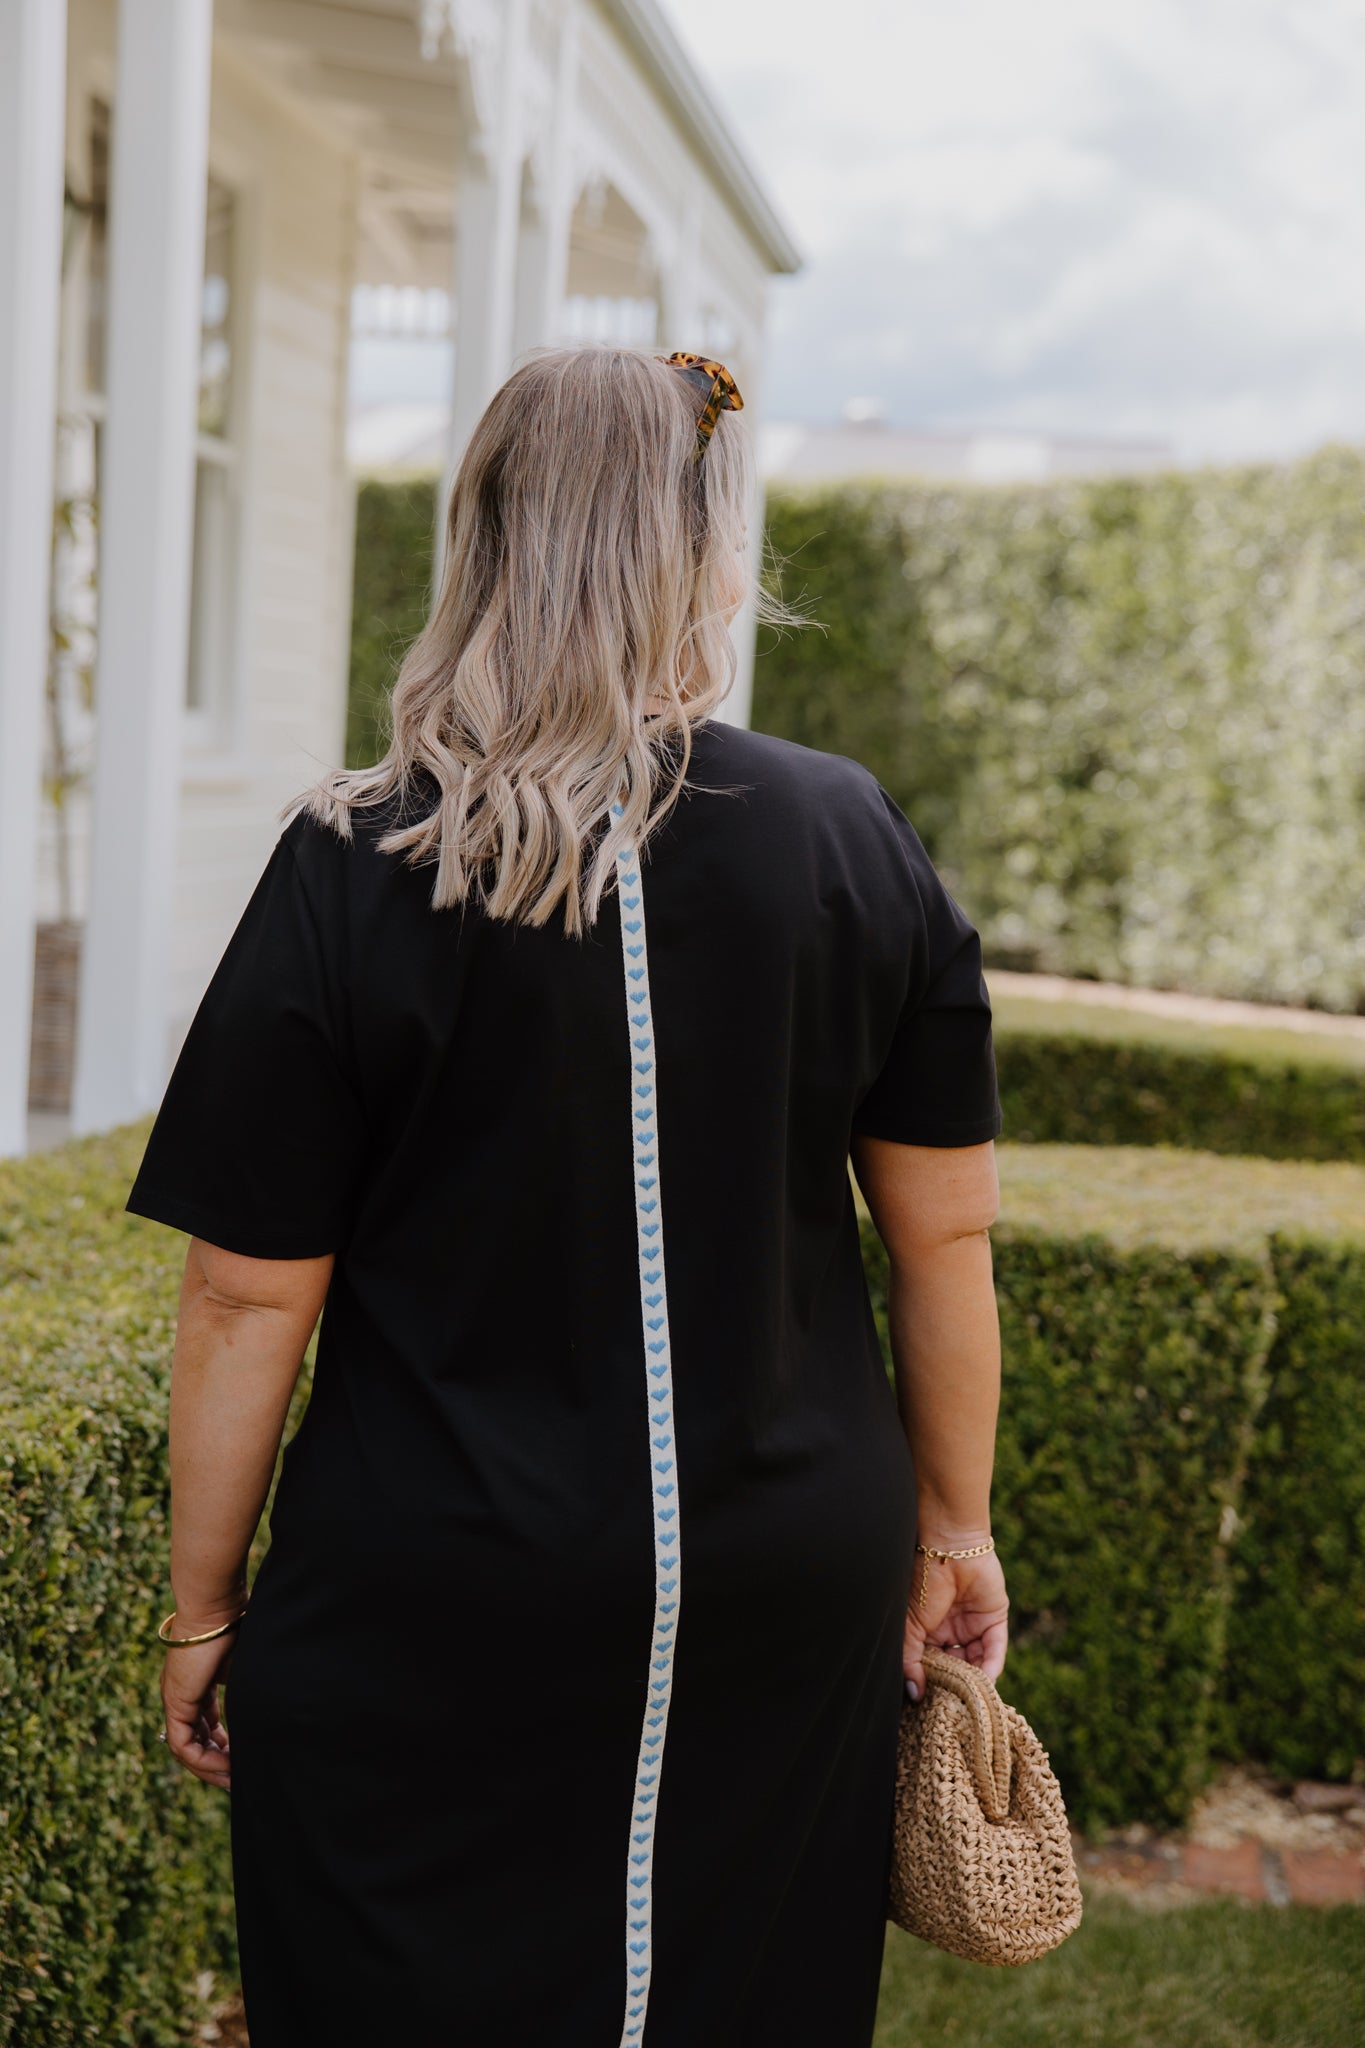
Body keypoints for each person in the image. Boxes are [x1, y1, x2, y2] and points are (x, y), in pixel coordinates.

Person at [126, 344, 1009, 2048]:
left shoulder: (353, 857)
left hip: (431, 1572)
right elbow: (945, 1235)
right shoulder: (850, 834)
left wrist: (205, 1605)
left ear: (483, 538)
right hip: (780, 1570)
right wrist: (952, 1531)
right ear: (705, 556)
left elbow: (247, 1293)